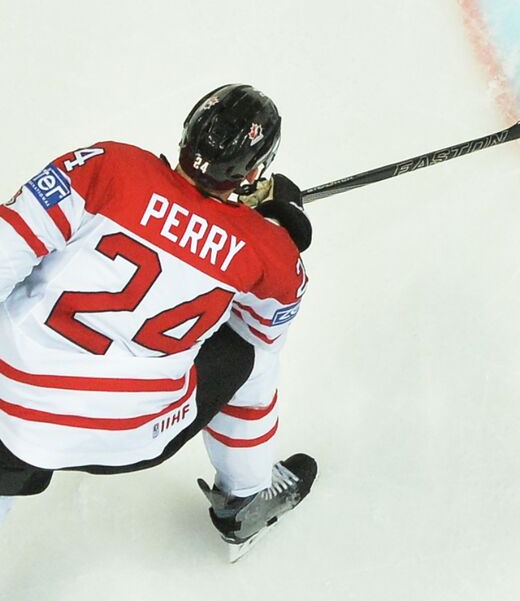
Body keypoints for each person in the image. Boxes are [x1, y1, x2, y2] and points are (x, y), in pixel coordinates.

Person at [0, 84, 317, 556]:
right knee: (251, 357)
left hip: (8, 401)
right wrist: (271, 229)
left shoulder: (109, 165)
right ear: (254, 173)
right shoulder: (269, 253)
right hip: (131, 431)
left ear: (188, 131)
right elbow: (260, 333)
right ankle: (245, 499)